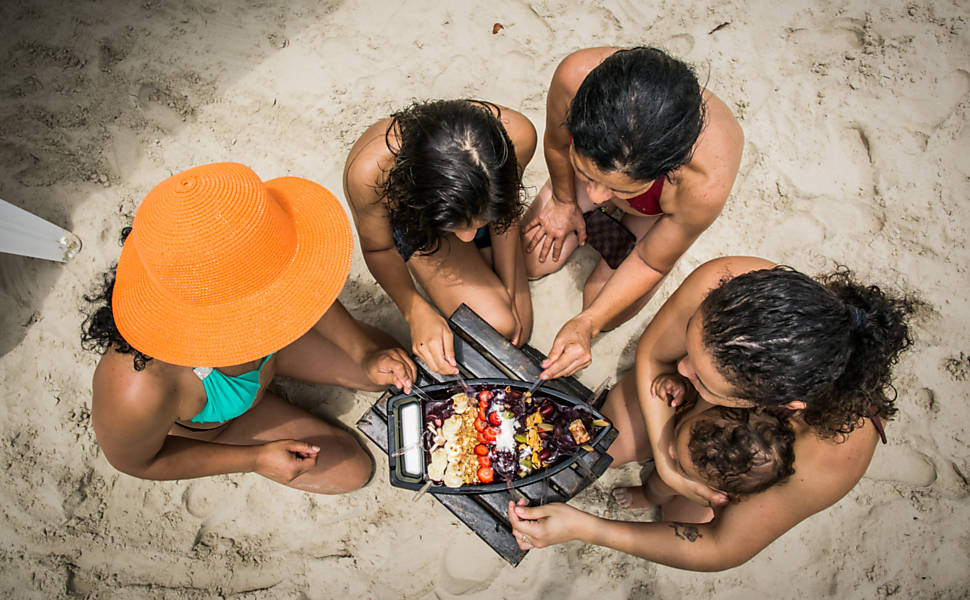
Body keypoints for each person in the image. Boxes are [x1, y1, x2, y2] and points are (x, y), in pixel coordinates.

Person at [508, 256, 915, 570]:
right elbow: (656, 356)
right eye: (692, 350)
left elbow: (721, 546)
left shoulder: (830, 456)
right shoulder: (730, 281)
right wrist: (667, 459)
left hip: (726, 462)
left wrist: (588, 528)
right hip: (679, 413)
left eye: (703, 379)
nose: (682, 368)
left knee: (680, 511)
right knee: (604, 442)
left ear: (778, 406)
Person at [82, 162, 417, 495]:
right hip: (221, 423)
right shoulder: (138, 386)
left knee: (385, 361)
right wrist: (255, 459)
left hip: (277, 355)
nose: (266, 309)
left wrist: (364, 352)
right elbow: (135, 462)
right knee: (350, 469)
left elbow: (303, 286)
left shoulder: (251, 250)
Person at [523, 47, 744, 381]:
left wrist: (588, 322)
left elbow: (652, 261)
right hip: (615, 168)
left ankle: (627, 204)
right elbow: (556, 146)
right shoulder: (575, 77)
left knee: (604, 310)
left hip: (654, 207)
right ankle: (608, 185)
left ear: (672, 170)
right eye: (589, 176)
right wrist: (566, 202)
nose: (597, 197)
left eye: (621, 189)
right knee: (532, 259)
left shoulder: (703, 180)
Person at [344, 99, 537, 376]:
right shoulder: (371, 174)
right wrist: (414, 310)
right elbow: (379, 249)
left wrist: (510, 284)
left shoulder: (517, 135)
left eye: (476, 226)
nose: (468, 237)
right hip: (420, 225)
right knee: (498, 325)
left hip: (480, 212)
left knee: (517, 325)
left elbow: (506, 218)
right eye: (459, 228)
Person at [629, 374, 796, 517]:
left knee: (660, 487)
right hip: (677, 417)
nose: (670, 450)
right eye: (680, 433)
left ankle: (647, 496)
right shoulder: (715, 403)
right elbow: (697, 390)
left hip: (689, 487)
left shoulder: (718, 492)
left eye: (683, 466)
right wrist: (682, 387)